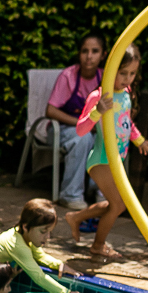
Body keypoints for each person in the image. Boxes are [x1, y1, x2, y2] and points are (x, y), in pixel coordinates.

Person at [64, 45, 148, 260]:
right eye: (122, 73)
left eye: (132, 73)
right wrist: (98, 111)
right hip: (101, 159)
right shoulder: (99, 97)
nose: (127, 78)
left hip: (115, 161)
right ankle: (98, 246)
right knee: (119, 205)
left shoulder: (125, 94)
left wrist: (139, 140)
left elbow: (125, 122)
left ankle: (77, 217)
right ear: (110, 69)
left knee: (116, 203)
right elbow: (81, 129)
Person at [45, 33, 107, 211]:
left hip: (91, 129)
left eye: (95, 51)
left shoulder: (104, 78)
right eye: (84, 51)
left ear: (103, 55)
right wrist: (82, 124)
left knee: (106, 138)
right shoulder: (68, 76)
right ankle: (70, 194)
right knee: (83, 138)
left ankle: (101, 192)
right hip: (61, 130)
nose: (89, 56)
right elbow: (50, 110)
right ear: (79, 54)